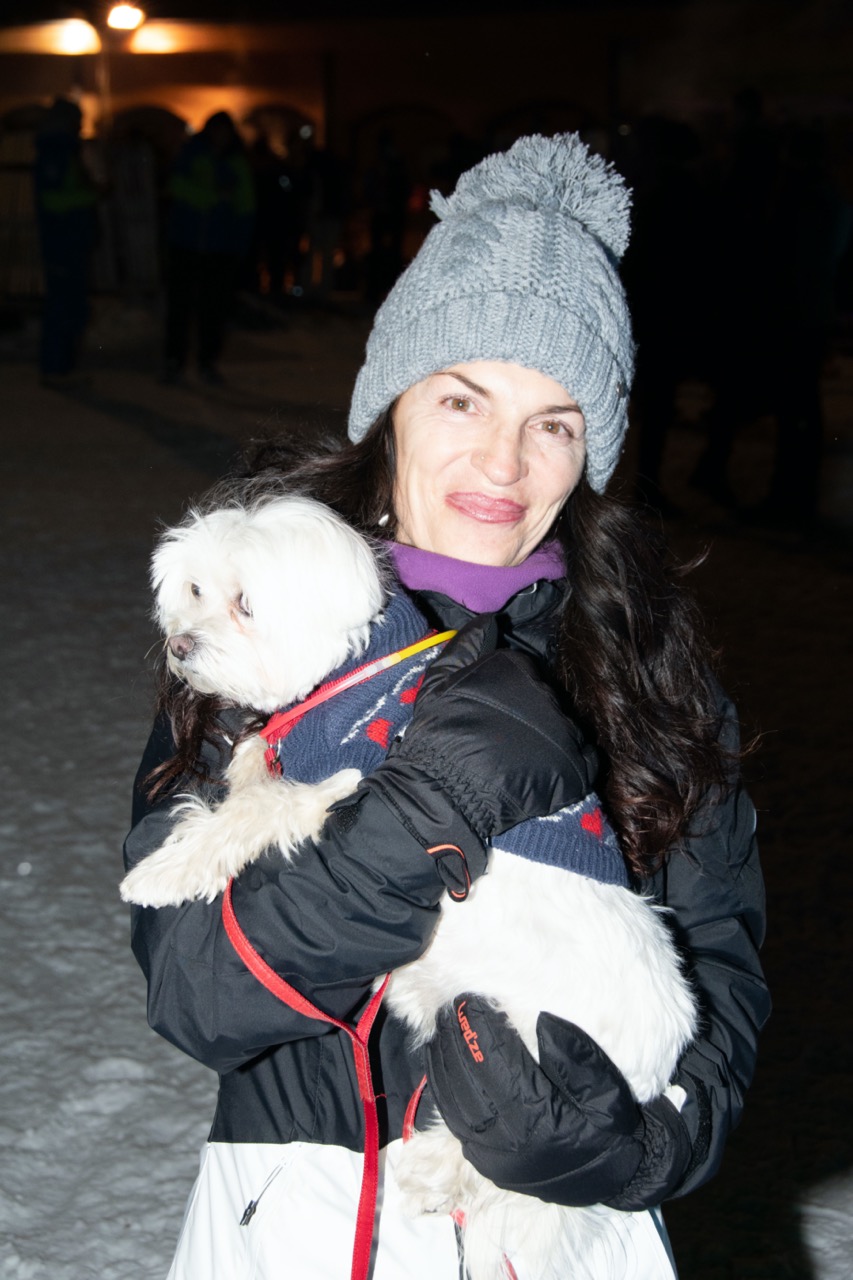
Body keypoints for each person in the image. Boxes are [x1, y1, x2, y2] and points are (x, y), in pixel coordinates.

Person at [124, 133, 769, 1278]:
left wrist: (636, 1146)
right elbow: (196, 992)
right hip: (302, 1217)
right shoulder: (265, 628)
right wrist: (417, 814)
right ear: (392, 408)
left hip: (562, 1237)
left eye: (554, 422)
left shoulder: (649, 668)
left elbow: (719, 972)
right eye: (463, 399)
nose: (504, 462)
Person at [161, 111, 255, 385]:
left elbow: (245, 205)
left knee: (214, 309)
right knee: (180, 307)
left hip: (220, 247)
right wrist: (211, 197)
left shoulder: (236, 162)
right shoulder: (191, 154)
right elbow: (175, 185)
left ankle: (207, 361)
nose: (220, 136)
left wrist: (241, 243)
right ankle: (174, 360)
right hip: (186, 242)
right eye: (216, 130)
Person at [33, 97, 98, 388]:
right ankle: (55, 368)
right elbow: (53, 200)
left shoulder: (66, 151)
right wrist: (90, 196)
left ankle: (63, 367)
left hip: (71, 238)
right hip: (62, 240)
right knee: (62, 305)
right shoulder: (56, 152)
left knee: (71, 306)